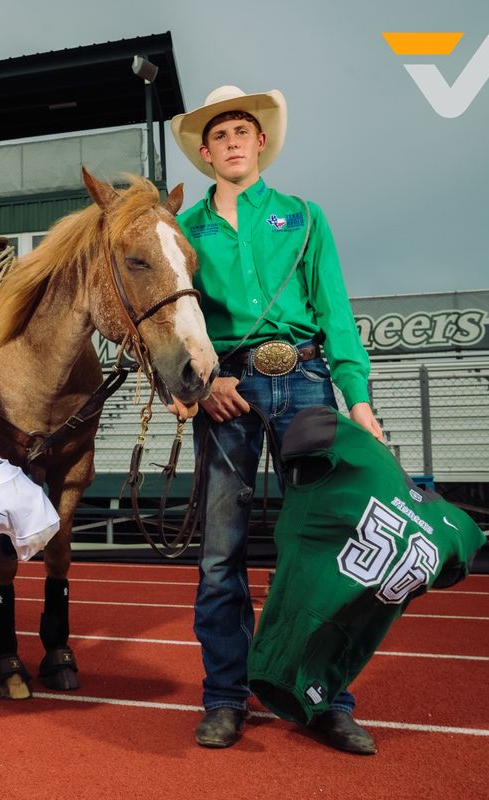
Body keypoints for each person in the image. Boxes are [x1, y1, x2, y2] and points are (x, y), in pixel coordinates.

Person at [168, 85, 384, 754]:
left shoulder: (306, 218)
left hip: (308, 384)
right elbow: (174, 322)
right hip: (227, 391)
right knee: (219, 555)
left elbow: (338, 315)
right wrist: (202, 386)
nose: (232, 141)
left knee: (320, 551)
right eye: (219, 135)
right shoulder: (185, 232)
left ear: (260, 141)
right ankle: (226, 697)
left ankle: (325, 700)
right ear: (205, 154)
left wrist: (361, 404)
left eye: (242, 130)